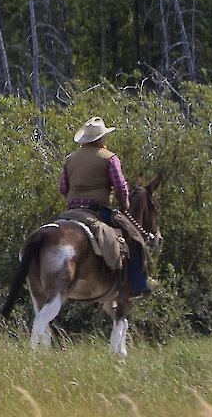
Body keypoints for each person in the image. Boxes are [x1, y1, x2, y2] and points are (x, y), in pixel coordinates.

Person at [61, 116, 151, 297]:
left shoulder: (70, 159)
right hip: (97, 210)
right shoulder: (109, 158)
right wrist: (124, 204)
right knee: (135, 239)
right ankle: (138, 284)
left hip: (71, 212)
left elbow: (63, 189)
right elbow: (120, 186)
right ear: (101, 138)